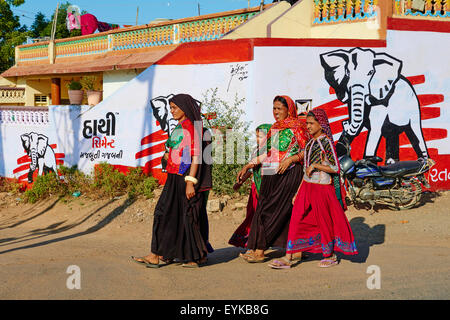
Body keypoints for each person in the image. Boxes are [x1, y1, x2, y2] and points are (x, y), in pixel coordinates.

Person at [269, 108, 358, 269]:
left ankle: (329, 255)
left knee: (323, 220)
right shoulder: (309, 143)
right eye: (307, 123)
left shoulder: (326, 143)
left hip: (322, 188)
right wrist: (297, 192)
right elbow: (305, 171)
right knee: (296, 217)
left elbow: (335, 167)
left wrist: (316, 165)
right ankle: (288, 257)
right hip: (306, 186)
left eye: (311, 123)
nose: (308, 126)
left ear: (321, 125)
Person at [131, 94, 212, 268]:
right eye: (171, 108)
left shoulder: (191, 128)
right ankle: (162, 253)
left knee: (172, 214)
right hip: (174, 176)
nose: (172, 111)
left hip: (183, 177)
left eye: (175, 108)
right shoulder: (181, 126)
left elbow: (196, 157)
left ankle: (185, 256)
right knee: (172, 215)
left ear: (185, 108)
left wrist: (190, 182)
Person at [237, 95, 309, 263]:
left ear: (288, 109)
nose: (276, 112)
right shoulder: (275, 128)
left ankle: (260, 251)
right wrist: (249, 165)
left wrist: (291, 159)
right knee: (265, 209)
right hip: (270, 174)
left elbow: (307, 151)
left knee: (272, 210)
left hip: (289, 173)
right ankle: (294, 249)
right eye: (274, 108)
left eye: (279, 108)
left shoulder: (298, 127)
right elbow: (269, 154)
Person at [228, 123, 272, 249]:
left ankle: (259, 245)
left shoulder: (271, 151)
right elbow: (251, 170)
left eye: (261, 136)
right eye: (257, 136)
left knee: (263, 216)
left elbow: (255, 165)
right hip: (255, 188)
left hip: (266, 188)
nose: (258, 139)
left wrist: (248, 166)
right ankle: (251, 242)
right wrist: (241, 182)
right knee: (252, 215)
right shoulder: (256, 150)